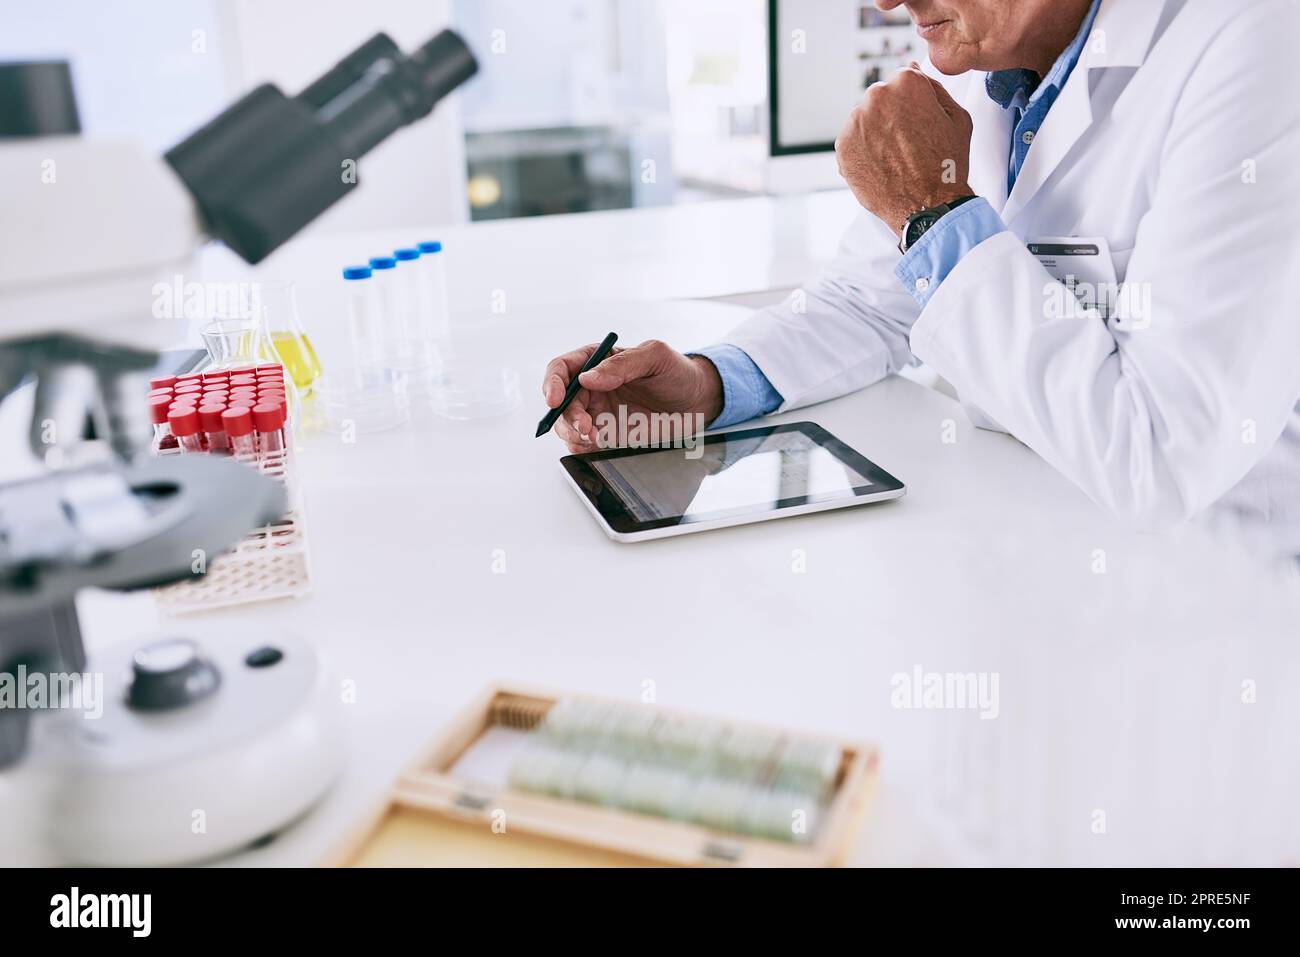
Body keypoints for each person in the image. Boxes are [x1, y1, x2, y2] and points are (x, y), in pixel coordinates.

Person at [540, 0, 1300, 550]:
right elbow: (870, 302)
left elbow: (1164, 454)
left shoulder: (1256, 46)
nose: (888, 1)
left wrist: (935, 212)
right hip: (1037, 544)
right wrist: (708, 385)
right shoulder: (988, 66)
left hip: (1220, 585)